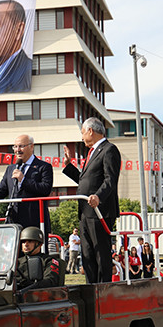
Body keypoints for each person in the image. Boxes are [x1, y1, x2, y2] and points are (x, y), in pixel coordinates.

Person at [62, 117, 121, 283]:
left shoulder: (109, 149)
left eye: (82, 133)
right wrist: (68, 166)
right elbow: (85, 180)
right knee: (87, 253)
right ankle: (91, 287)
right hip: (85, 212)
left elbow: (110, 179)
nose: (82, 137)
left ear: (90, 131)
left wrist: (99, 196)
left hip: (99, 211)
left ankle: (103, 289)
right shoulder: (91, 152)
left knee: (100, 253)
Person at [0, 134, 52, 236]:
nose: (17, 150)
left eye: (21, 146)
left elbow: (45, 189)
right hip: (14, 221)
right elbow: (3, 189)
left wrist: (23, 180)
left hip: (35, 221)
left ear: (31, 146)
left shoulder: (44, 167)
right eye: (15, 147)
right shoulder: (11, 168)